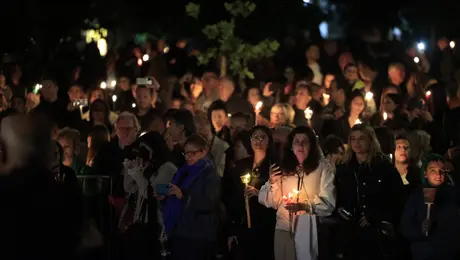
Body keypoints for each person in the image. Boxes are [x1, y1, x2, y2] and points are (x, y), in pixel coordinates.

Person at [259, 126, 335, 260]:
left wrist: (305, 206)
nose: (300, 145)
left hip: (309, 229)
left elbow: (328, 203)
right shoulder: (283, 167)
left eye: (304, 141)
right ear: (290, 146)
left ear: (312, 145)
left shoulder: (322, 168)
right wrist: (273, 182)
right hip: (283, 228)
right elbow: (272, 202)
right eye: (296, 141)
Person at [335, 124, 404, 260]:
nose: (357, 143)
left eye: (361, 138)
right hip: (350, 232)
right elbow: (339, 197)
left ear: (370, 140)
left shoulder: (384, 168)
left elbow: (398, 199)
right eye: (353, 139)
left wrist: (374, 215)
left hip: (376, 234)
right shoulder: (345, 169)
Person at [163, 134, 222, 260]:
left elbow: (208, 203)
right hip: (180, 229)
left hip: (198, 233)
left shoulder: (210, 174)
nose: (188, 157)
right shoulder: (183, 171)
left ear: (203, 152)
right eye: (186, 153)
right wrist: (165, 194)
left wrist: (182, 196)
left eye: (192, 153)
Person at [224, 125, 277, 260]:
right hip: (243, 226)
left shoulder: (274, 167)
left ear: (269, 141)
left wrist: (259, 192)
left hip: (264, 226)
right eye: (255, 137)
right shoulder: (242, 165)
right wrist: (232, 229)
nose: (258, 140)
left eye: (262, 137)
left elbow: (276, 196)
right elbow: (233, 198)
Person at [401, 154, 460, 260]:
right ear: (425, 173)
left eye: (442, 170)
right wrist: (421, 229)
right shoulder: (416, 196)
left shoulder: (454, 193)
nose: (438, 174)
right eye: (433, 170)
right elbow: (405, 226)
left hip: (451, 253)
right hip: (425, 253)